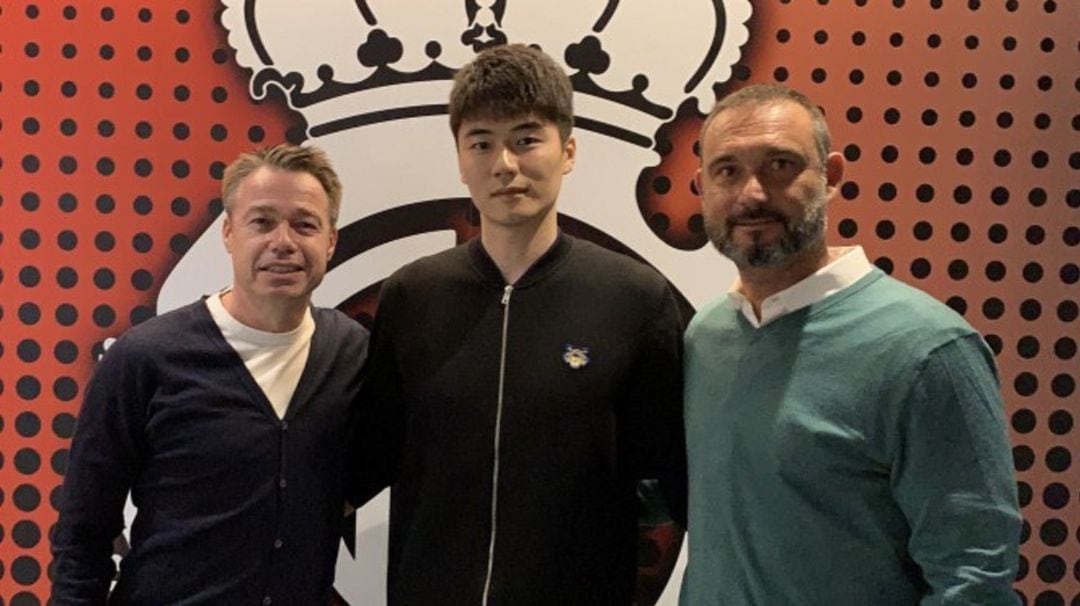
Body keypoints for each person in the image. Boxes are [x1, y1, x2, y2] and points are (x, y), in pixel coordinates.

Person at [352, 44, 686, 605]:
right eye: (481, 142)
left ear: (569, 150)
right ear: (460, 160)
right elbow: (369, 458)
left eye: (526, 139)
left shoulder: (635, 299)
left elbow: (671, 481)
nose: (504, 163)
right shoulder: (412, 295)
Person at [681, 83, 1021, 605]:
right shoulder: (707, 337)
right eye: (727, 170)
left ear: (831, 176)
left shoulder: (928, 350)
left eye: (780, 165)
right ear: (700, 187)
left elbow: (972, 578)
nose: (751, 194)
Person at [52, 144, 369, 604]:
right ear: (228, 233)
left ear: (331, 241)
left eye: (305, 224)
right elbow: (83, 533)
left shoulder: (352, 351)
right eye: (261, 222)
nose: (283, 241)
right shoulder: (145, 358)